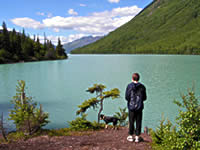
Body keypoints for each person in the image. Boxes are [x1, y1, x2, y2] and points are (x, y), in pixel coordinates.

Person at [125, 73, 147, 142]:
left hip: (131, 107)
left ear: (132, 78)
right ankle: (137, 136)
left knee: (131, 121)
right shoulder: (142, 87)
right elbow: (144, 98)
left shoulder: (129, 86)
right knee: (138, 121)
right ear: (139, 79)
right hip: (139, 107)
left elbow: (127, 97)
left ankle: (131, 136)